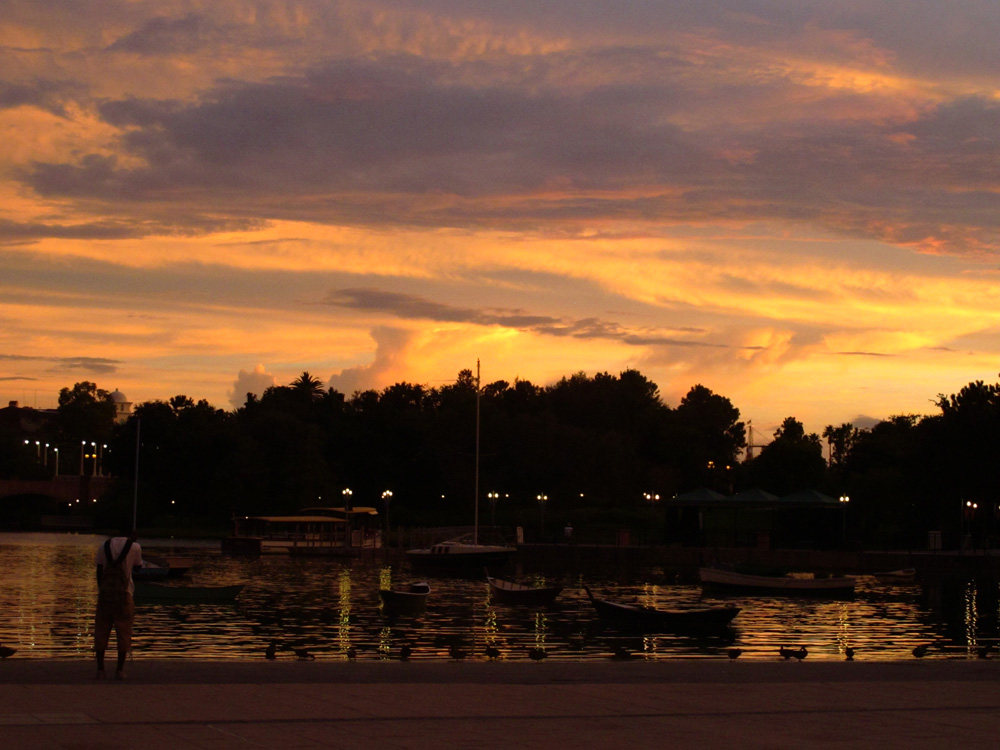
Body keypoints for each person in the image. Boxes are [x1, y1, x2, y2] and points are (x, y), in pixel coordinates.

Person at [94, 527, 142, 679]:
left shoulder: (104, 546)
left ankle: (100, 670)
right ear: (130, 534)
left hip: (105, 594)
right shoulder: (134, 547)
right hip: (125, 593)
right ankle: (119, 670)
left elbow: (99, 570)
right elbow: (138, 568)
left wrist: (101, 589)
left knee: (101, 631)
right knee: (124, 632)